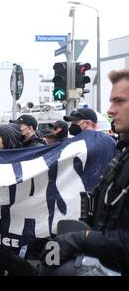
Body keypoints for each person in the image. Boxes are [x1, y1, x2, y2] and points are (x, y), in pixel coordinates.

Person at [42, 68, 129, 275]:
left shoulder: (107, 144)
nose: (110, 110)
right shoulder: (122, 153)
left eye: (119, 101)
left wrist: (82, 239)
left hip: (112, 262)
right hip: (102, 252)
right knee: (49, 257)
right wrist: (83, 227)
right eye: (111, 101)